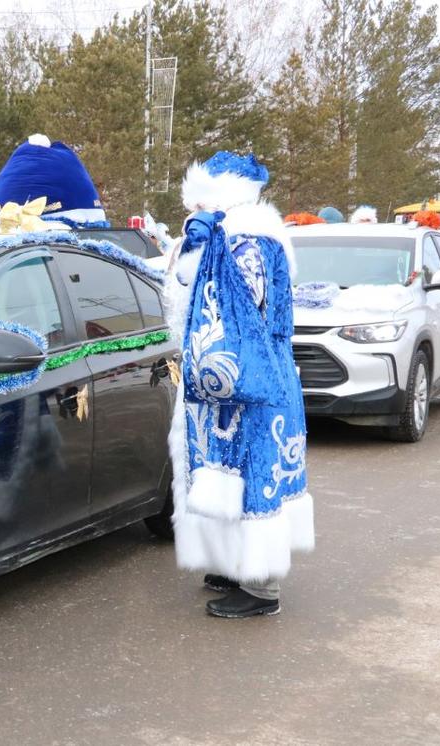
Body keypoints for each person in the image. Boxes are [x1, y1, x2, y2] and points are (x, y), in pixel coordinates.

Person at [165, 151, 314, 618]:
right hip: (249, 376)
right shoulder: (247, 234)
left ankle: (261, 588)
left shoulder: (242, 240)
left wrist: (199, 252)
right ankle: (233, 563)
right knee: (229, 468)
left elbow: (231, 309)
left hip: (246, 381)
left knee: (252, 471)